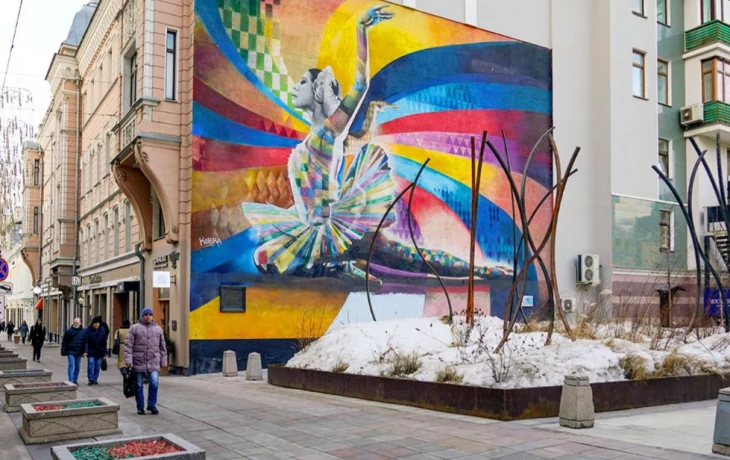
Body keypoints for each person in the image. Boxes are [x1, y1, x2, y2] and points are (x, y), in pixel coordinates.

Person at [124, 308, 166, 415]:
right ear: (142, 316)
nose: (148, 317)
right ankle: (140, 406)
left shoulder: (158, 329)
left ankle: (152, 405)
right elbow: (128, 346)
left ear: (152, 316)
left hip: (153, 360)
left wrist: (163, 361)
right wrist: (128, 360)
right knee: (139, 384)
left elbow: (162, 347)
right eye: (146, 315)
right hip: (139, 361)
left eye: (150, 315)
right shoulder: (135, 328)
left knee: (154, 382)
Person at [61, 318, 87, 385]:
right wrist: (63, 352)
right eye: (74, 322)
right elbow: (64, 342)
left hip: (79, 352)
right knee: (71, 365)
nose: (75, 324)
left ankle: (75, 379)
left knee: (77, 366)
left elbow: (85, 342)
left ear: (80, 323)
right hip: (70, 351)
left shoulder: (83, 332)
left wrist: (85, 351)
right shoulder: (68, 331)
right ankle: (71, 380)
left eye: (77, 323)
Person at [86, 316, 109, 385]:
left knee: (97, 366)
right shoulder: (88, 330)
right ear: (92, 323)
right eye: (95, 323)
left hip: (100, 351)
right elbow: (86, 341)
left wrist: (105, 352)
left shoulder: (103, 330)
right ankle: (90, 379)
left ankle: (95, 379)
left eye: (97, 323)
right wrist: (85, 351)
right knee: (91, 363)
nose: (96, 324)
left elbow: (104, 342)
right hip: (91, 350)